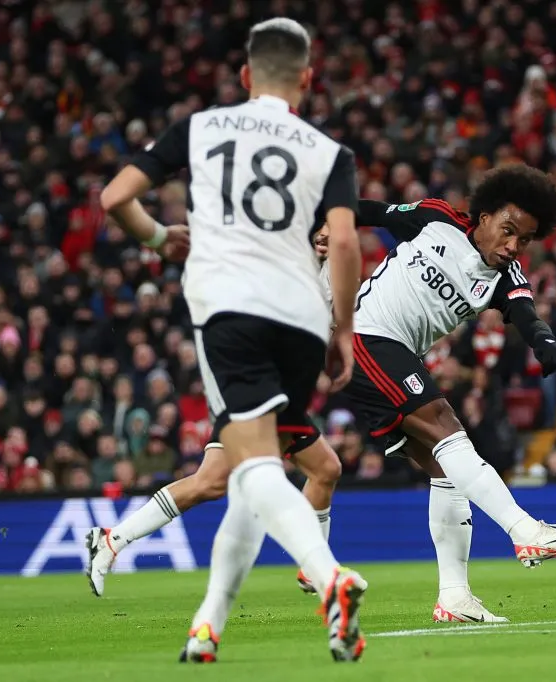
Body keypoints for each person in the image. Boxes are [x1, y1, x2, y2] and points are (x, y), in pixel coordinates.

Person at [96, 18, 368, 663]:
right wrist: (344, 329)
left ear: (245, 76)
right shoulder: (330, 153)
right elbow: (348, 242)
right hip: (302, 318)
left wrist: (162, 239)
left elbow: (115, 199)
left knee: (252, 470)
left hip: (230, 311)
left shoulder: (201, 128)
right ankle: (207, 626)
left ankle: (330, 578)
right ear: (306, 79)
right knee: (246, 476)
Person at [345, 167, 556, 576]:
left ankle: (455, 595)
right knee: (446, 425)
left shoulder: (505, 278)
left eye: (526, 239)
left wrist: (543, 342)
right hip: (364, 335)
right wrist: (322, 216)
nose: (514, 245)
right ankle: (524, 529)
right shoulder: (435, 219)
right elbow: (372, 211)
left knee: (446, 469)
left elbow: (527, 315)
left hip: (394, 354)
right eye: (508, 230)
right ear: (484, 217)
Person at [86, 230, 341, 598]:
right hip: (258, 384)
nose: (324, 235)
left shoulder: (332, 270)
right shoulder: (279, 263)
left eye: (331, 228)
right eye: (318, 227)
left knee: (320, 470)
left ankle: (112, 539)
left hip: (282, 388)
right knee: (245, 484)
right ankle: (317, 569)